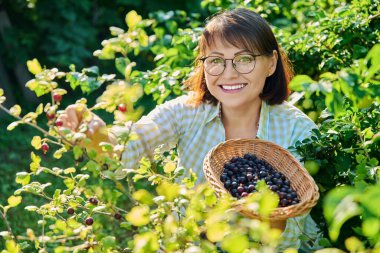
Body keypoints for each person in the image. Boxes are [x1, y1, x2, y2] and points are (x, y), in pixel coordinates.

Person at [58, 8, 320, 252]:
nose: (228, 73)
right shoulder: (185, 113)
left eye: (244, 59)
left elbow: (293, 235)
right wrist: (97, 135)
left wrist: (265, 214)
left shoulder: (298, 130)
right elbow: (130, 147)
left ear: (271, 63)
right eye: (216, 60)